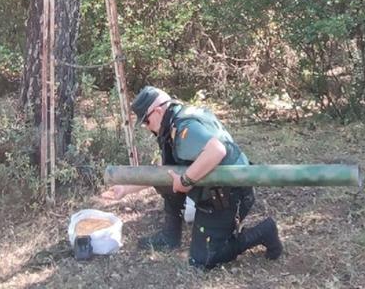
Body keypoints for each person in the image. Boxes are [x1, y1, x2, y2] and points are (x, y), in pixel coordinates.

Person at [102, 86, 283, 269]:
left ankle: (264, 232)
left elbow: (217, 150)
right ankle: (170, 236)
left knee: (202, 260)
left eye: (146, 121)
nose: (147, 127)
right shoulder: (174, 120)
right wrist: (125, 189)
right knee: (170, 178)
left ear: (157, 111)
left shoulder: (183, 128)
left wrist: (186, 180)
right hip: (218, 189)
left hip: (231, 195)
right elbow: (164, 172)